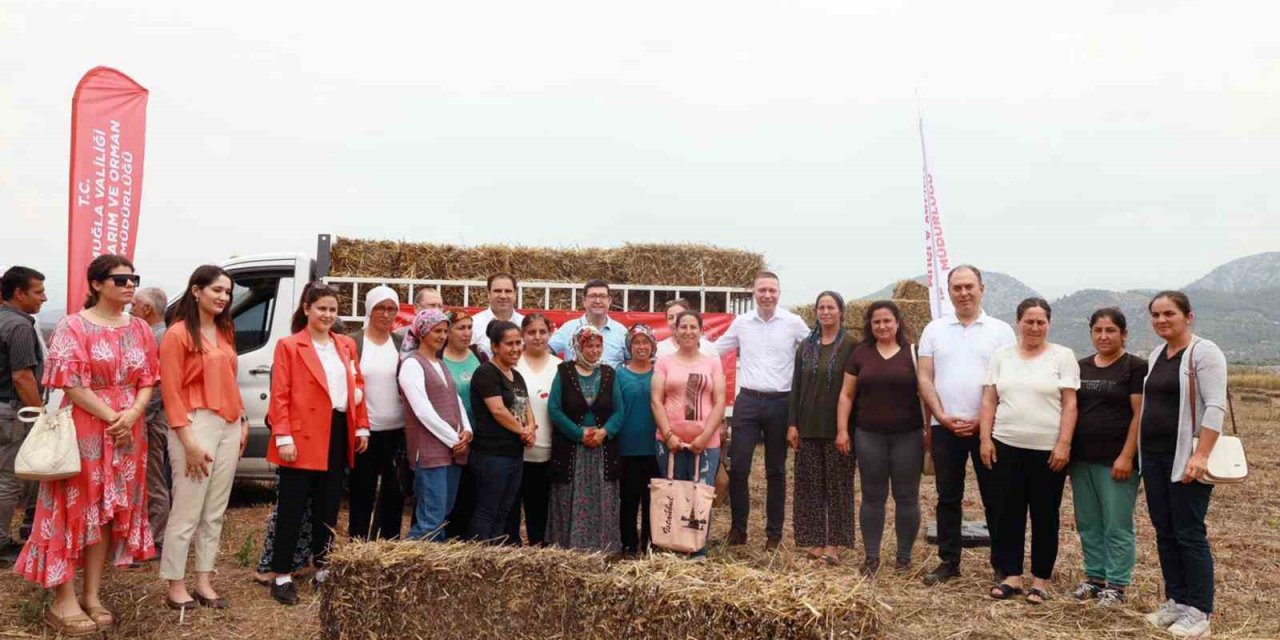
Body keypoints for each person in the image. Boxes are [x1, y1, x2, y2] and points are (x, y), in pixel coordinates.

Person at [16, 255, 159, 636]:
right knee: (72, 510)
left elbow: (149, 377)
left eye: (133, 279)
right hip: (86, 430)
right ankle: (64, 597)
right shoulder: (72, 325)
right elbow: (69, 383)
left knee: (107, 514)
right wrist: (115, 417)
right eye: (120, 279)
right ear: (96, 284)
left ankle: (93, 594)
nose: (130, 285)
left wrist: (133, 413)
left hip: (130, 432)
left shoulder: (142, 328)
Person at [264, 282, 369, 605]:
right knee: (292, 509)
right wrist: (283, 436)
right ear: (307, 308)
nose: (327, 314)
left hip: (337, 431)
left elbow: (357, 386)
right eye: (321, 308)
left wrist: (362, 427)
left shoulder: (346, 344)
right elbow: (280, 394)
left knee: (328, 505)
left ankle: (323, 567)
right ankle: (281, 574)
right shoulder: (289, 345)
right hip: (301, 434)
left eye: (332, 309)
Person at [916, 265, 1016, 585]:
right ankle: (948, 561)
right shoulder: (934, 330)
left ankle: (1002, 564)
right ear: (949, 292)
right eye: (957, 287)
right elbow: (924, 377)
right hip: (946, 427)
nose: (963, 293)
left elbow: (1008, 379)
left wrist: (984, 420)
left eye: (969, 286)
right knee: (947, 497)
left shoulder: (1001, 331)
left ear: (982, 289)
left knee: (996, 496)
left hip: (989, 428)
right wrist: (940, 416)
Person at [157, 266, 246, 610]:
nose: (224, 297)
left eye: (227, 291)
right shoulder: (177, 334)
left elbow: (230, 381)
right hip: (193, 425)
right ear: (196, 291)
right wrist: (189, 442)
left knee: (215, 510)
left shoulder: (225, 331)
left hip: (228, 423)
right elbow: (171, 391)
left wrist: (241, 421)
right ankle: (175, 584)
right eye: (217, 290)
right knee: (187, 508)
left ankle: (204, 580)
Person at [979, 298, 1079, 605]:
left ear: (1049, 324)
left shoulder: (1063, 356)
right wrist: (985, 438)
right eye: (1029, 321)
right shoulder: (1002, 356)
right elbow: (989, 400)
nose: (1035, 327)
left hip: (1047, 450)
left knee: (1045, 514)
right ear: (1017, 323)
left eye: (1041, 322)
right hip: (1006, 444)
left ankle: (1040, 579)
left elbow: (1070, 404)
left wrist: (1064, 443)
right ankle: (1011, 575)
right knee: (1007, 512)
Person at [1140, 291, 1226, 639]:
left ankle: (1200, 611)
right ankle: (1176, 600)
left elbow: (1215, 407)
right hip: (1155, 458)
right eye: (1156, 315)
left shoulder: (1204, 352)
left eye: (1169, 314)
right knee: (1165, 532)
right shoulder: (1157, 354)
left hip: (1186, 458)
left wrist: (1201, 455)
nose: (1162, 320)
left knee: (1189, 533)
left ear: (1188, 316)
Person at [716, 271, 808, 550]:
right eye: (762, 290)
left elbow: (816, 350)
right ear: (753, 292)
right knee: (740, 467)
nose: (767, 295)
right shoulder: (741, 323)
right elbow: (715, 349)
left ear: (779, 293)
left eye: (772, 290)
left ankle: (774, 534)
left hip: (782, 402)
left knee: (776, 471)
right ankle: (738, 530)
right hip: (748, 402)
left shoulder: (793, 322)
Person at [839, 300, 925, 575]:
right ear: (870, 325)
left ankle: (904, 557)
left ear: (898, 323)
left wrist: (930, 432)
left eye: (887, 320)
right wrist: (842, 430)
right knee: (873, 497)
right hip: (869, 435)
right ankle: (872, 557)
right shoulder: (859, 353)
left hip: (908, 436)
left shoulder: (914, 353)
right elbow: (846, 395)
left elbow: (926, 393)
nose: (882, 326)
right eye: (876, 321)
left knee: (907, 497)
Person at [1069, 308, 1146, 606]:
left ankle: (1116, 584)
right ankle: (1094, 578)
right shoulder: (1081, 367)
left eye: (1111, 330)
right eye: (1098, 330)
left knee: (1116, 524)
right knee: (1088, 523)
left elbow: (1139, 414)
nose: (1104, 336)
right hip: (1082, 459)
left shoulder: (1135, 367)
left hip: (1116, 461)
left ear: (1124, 334)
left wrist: (1127, 456)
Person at [789, 292, 858, 566]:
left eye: (831, 307)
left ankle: (834, 544)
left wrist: (848, 428)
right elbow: (795, 387)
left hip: (838, 429)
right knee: (810, 488)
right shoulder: (805, 346)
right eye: (821, 307)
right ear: (815, 312)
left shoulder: (852, 345)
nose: (826, 312)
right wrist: (792, 423)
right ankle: (816, 540)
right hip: (807, 427)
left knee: (838, 488)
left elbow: (854, 391)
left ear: (841, 312)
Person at [652, 310, 727, 556]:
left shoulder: (712, 363)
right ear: (674, 330)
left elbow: (719, 402)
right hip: (669, 443)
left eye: (693, 327)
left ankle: (697, 550)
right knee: (673, 494)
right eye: (682, 327)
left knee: (699, 495)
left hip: (706, 444)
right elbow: (656, 400)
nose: (687, 331)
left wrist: (704, 438)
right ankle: (671, 547)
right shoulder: (664, 362)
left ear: (700, 331)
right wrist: (669, 434)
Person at [547, 325, 625, 552]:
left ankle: (603, 548)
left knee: (602, 496)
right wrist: (578, 433)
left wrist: (604, 432)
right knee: (571, 496)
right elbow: (554, 409)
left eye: (598, 346)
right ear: (578, 347)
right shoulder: (564, 372)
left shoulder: (609, 374)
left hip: (601, 449)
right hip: (573, 450)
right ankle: (570, 548)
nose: (594, 350)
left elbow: (620, 411)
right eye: (588, 346)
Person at [399, 309, 473, 541]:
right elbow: (423, 411)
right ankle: (403, 563)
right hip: (430, 451)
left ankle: (432, 568)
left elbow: (456, 400)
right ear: (422, 333)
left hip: (453, 449)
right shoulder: (412, 364)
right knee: (431, 519)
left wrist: (467, 431)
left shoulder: (440, 363)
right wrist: (453, 439)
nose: (441, 336)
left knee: (441, 515)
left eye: (444, 331)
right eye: (436, 331)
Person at [347, 286, 406, 541]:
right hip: (365, 432)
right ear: (369, 310)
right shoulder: (353, 342)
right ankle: (358, 543)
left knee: (395, 491)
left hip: (397, 431)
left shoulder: (401, 344)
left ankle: (387, 544)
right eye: (380, 308)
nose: (386, 314)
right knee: (363, 490)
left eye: (391, 308)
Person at [468, 321, 535, 542]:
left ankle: (496, 555)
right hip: (491, 454)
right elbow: (498, 410)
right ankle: (479, 555)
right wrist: (523, 431)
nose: (516, 348)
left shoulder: (516, 375)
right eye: (509, 344)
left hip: (514, 453)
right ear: (495, 346)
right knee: (488, 508)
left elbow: (526, 406)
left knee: (504, 509)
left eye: (518, 343)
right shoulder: (486, 373)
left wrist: (530, 429)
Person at [0, 266, 46, 567]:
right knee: (8, 481)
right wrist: (41, 416)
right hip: (13, 410)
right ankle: (2, 543)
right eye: (38, 292)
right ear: (19, 293)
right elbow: (23, 376)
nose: (44, 298)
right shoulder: (19, 327)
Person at [508, 313, 559, 545]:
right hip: (516, 448)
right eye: (531, 332)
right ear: (522, 335)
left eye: (542, 332)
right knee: (510, 506)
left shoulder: (560, 367)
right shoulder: (512, 364)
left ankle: (539, 547)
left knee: (540, 506)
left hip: (548, 450)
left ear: (550, 334)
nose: (537, 337)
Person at [440, 309, 489, 540]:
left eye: (470, 327)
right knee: (448, 494)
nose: (466, 333)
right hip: (448, 439)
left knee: (472, 492)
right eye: (461, 328)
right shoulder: (437, 358)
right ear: (447, 331)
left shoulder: (478, 355)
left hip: (477, 437)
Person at [130, 286, 171, 553]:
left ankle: (157, 537)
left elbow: (158, 385)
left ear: (147, 309)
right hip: (152, 416)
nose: (130, 309)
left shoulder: (160, 339)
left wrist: (141, 416)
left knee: (152, 479)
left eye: (134, 305)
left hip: (152, 418)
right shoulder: (157, 335)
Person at [616, 323, 659, 554]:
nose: (641, 347)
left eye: (645, 342)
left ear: (652, 346)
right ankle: (629, 544)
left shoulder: (660, 372)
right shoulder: (619, 374)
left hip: (655, 447)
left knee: (652, 499)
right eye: (636, 343)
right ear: (629, 346)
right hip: (627, 447)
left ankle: (651, 542)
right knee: (629, 499)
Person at [548, 279, 628, 368]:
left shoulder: (622, 332)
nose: (597, 301)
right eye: (593, 296)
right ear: (584, 300)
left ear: (609, 300)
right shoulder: (568, 328)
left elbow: (632, 364)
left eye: (602, 296)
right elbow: (545, 352)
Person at [471, 273, 525, 358]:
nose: (503, 296)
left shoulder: (525, 324)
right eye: (497, 291)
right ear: (488, 294)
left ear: (515, 294)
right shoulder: (473, 324)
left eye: (508, 291)